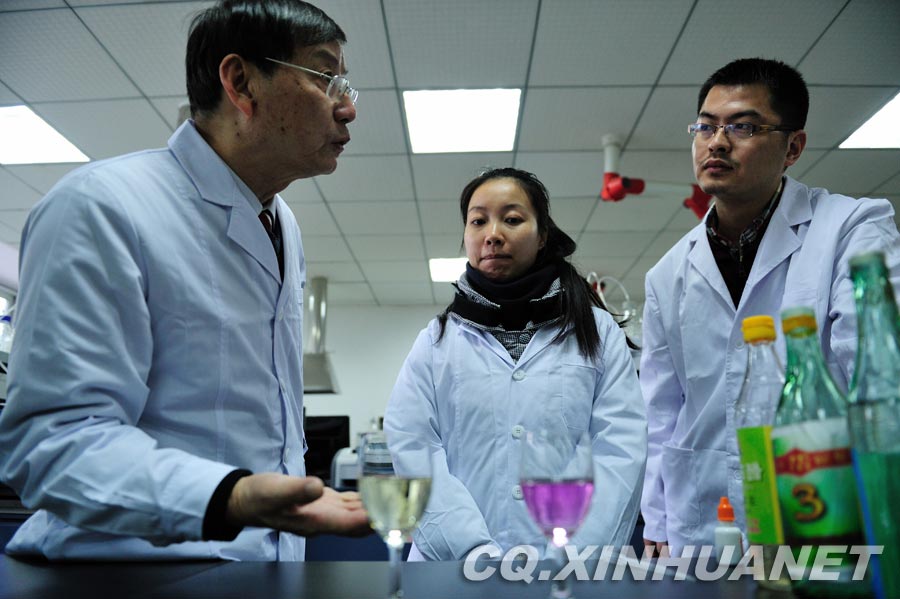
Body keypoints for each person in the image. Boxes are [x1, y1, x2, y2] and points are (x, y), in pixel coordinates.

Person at [0, 0, 369, 560]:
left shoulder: (280, 221)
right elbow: (53, 442)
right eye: (326, 78)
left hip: (261, 568)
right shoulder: (101, 207)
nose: (347, 109)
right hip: (127, 576)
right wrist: (230, 498)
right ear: (241, 81)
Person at [640, 58, 900, 557]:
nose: (717, 141)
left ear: (793, 147)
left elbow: (876, 377)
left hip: (825, 505)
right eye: (705, 126)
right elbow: (661, 412)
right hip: (704, 520)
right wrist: (657, 518)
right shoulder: (667, 274)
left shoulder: (852, 228)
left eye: (743, 126)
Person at [384, 167, 647, 560]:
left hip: (570, 567)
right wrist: (472, 553)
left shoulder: (597, 331)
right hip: (453, 569)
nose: (493, 234)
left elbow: (620, 449)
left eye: (512, 219)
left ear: (542, 236)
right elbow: (413, 445)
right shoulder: (436, 342)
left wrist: (569, 553)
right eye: (478, 221)